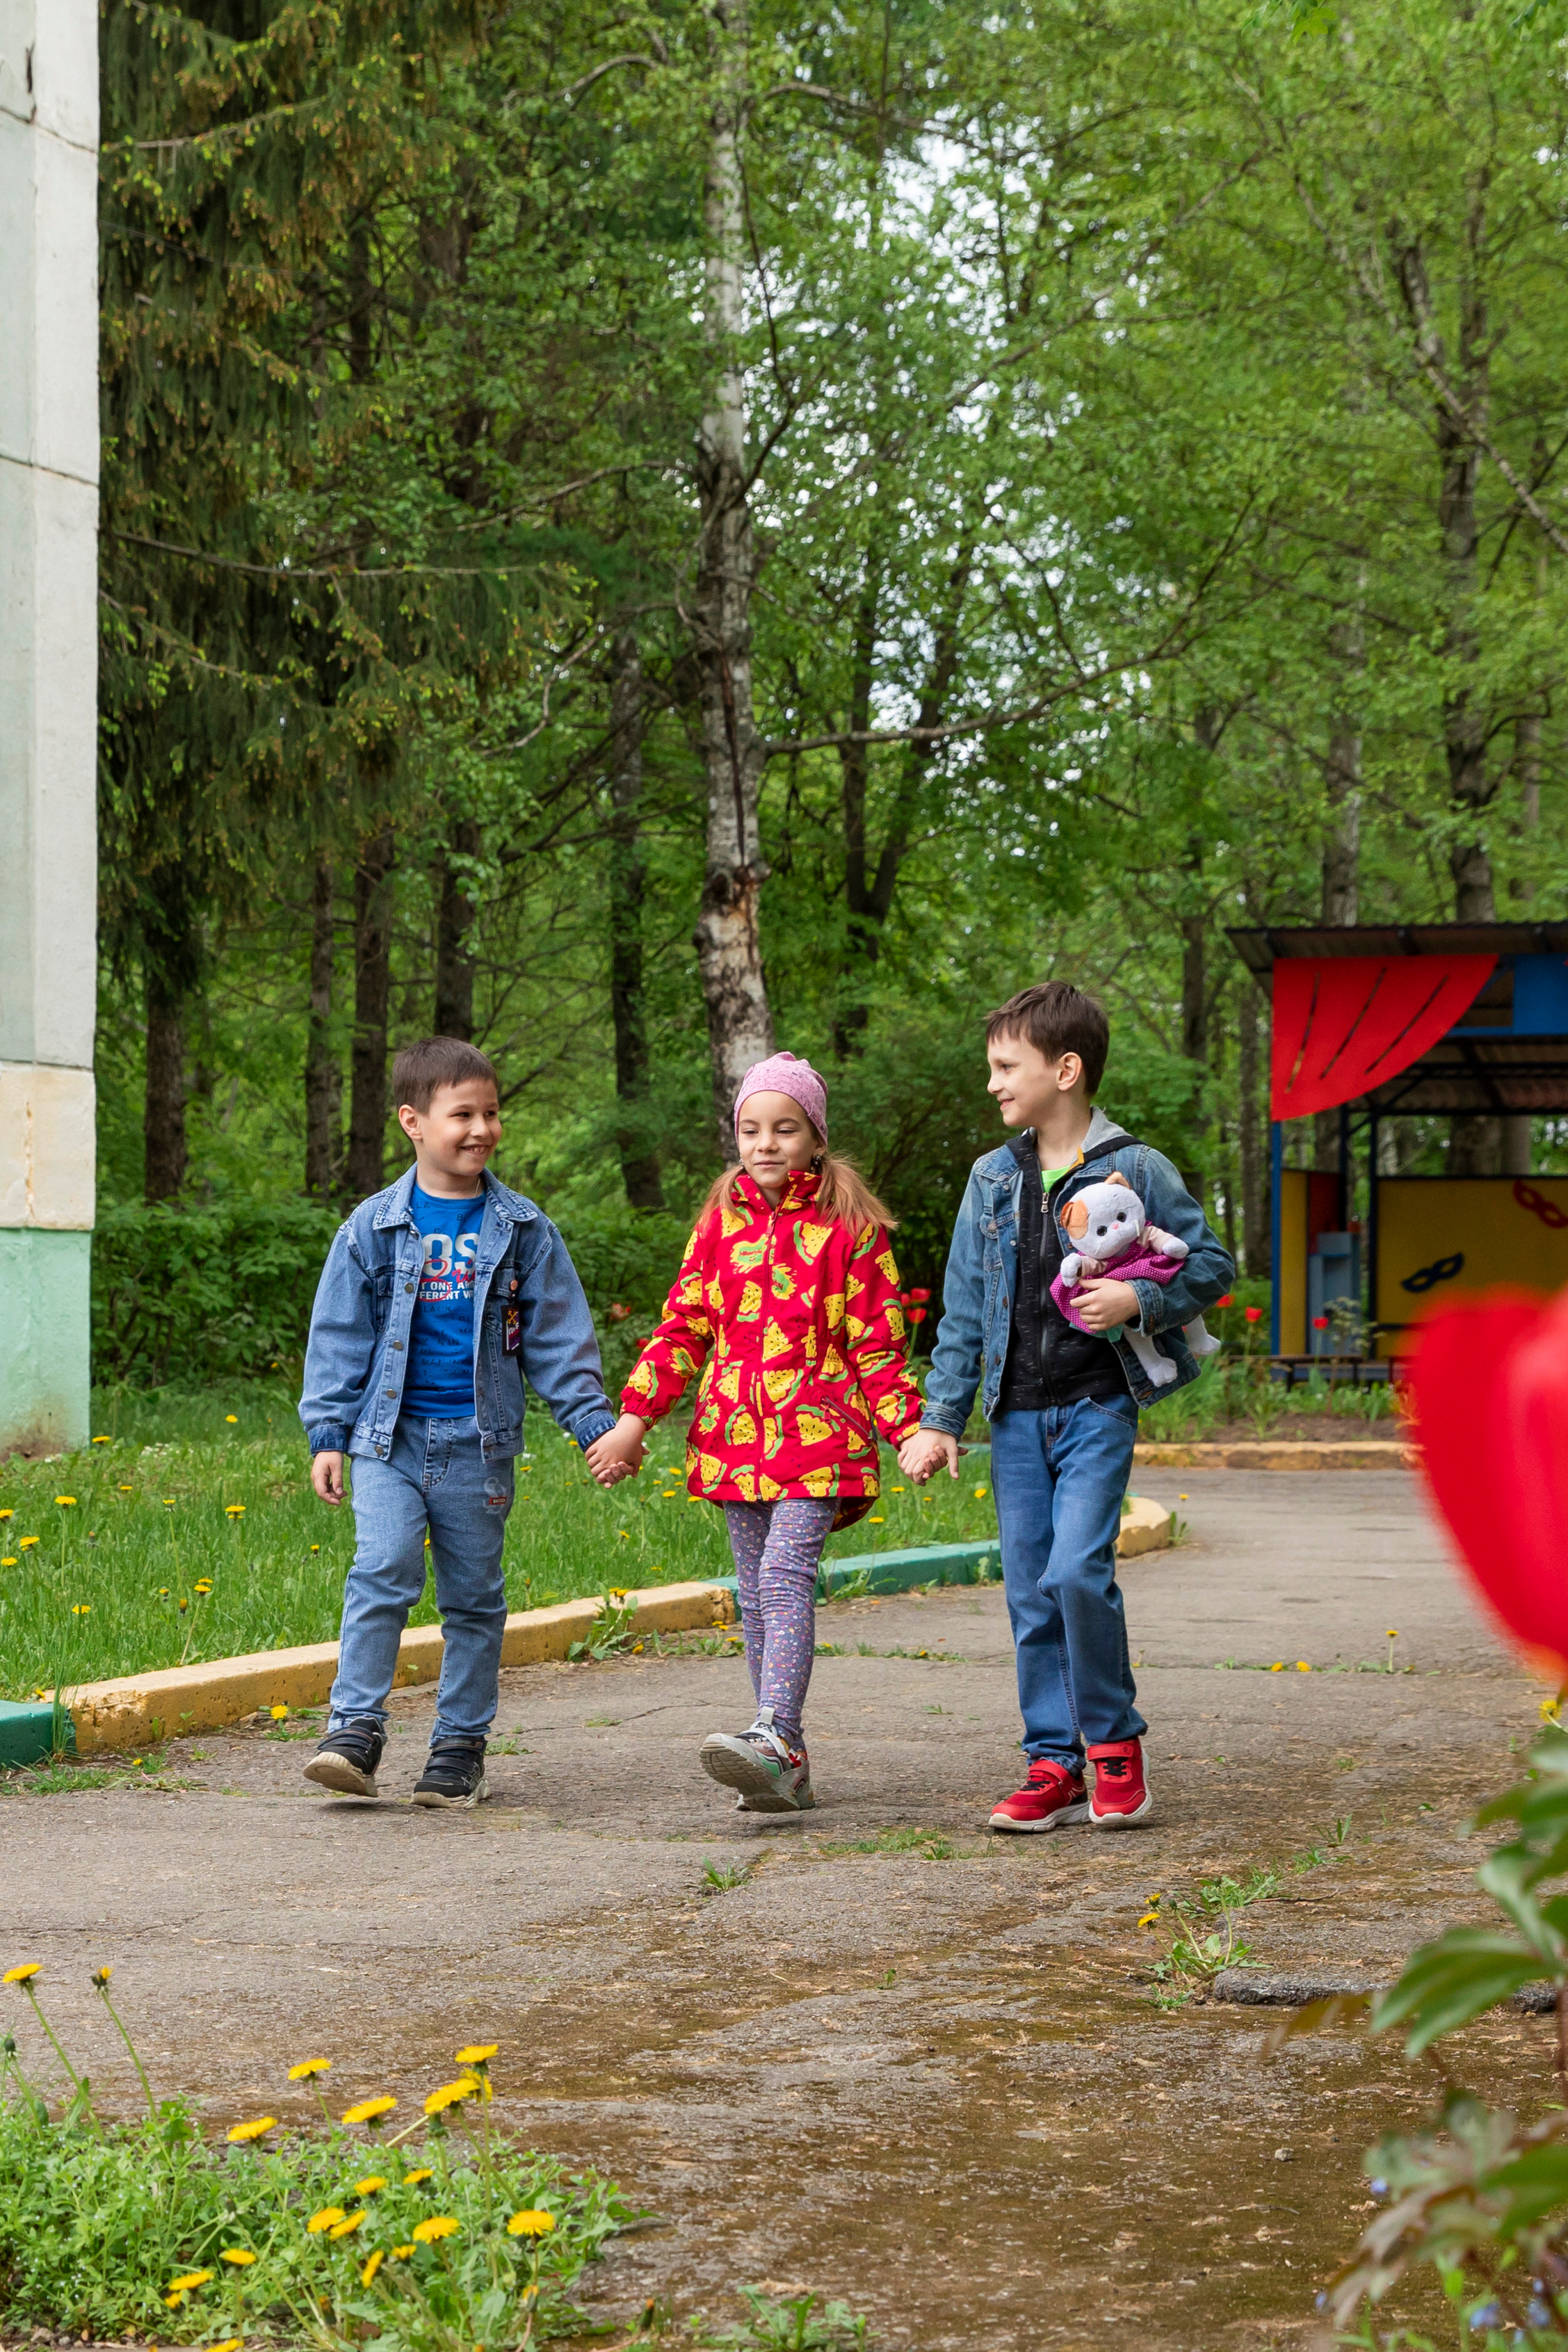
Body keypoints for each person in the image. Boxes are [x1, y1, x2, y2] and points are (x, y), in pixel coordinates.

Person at [898, 983, 1232, 1832]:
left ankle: (1113, 1746)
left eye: (1005, 1066)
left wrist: (1137, 1301)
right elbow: (963, 1310)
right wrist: (940, 1419)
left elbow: (1210, 1264)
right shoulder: (990, 1177)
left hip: (1097, 1404)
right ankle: (1051, 1761)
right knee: (1029, 1592)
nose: (992, 1083)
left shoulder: (1137, 1167)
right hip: (1013, 1415)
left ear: (1065, 1069)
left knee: (1076, 1571)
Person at [298, 1036, 630, 1809]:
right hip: (388, 1440)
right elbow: (339, 1337)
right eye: (462, 1115)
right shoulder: (372, 1227)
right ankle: (354, 1730)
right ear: (412, 1121)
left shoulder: (523, 1229)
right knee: (382, 1569)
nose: (481, 1129)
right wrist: (328, 1433)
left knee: (473, 1599)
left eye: (491, 1113)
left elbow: (557, 1339)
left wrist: (593, 1425)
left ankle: (458, 1746)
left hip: (478, 1445)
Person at [586, 1053, 923, 1812]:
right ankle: (785, 1764)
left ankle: (773, 1733)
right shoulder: (718, 1225)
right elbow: (682, 1328)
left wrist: (907, 1428)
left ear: (815, 1138)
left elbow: (877, 1340)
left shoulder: (851, 1229)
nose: (765, 1143)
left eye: (785, 1128)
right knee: (756, 1595)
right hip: (733, 1439)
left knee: (782, 1575)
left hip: (820, 1436)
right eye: (750, 1129)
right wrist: (633, 1422)